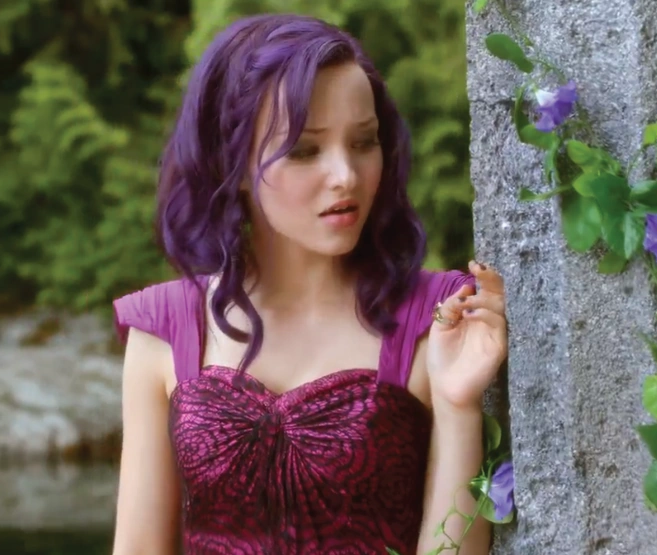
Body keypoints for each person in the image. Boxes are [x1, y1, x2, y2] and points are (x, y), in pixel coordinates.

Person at [110, 12, 507, 555]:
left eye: (364, 142)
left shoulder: (440, 320)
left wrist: (459, 407)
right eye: (304, 150)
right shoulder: (164, 327)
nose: (346, 175)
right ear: (233, 164)